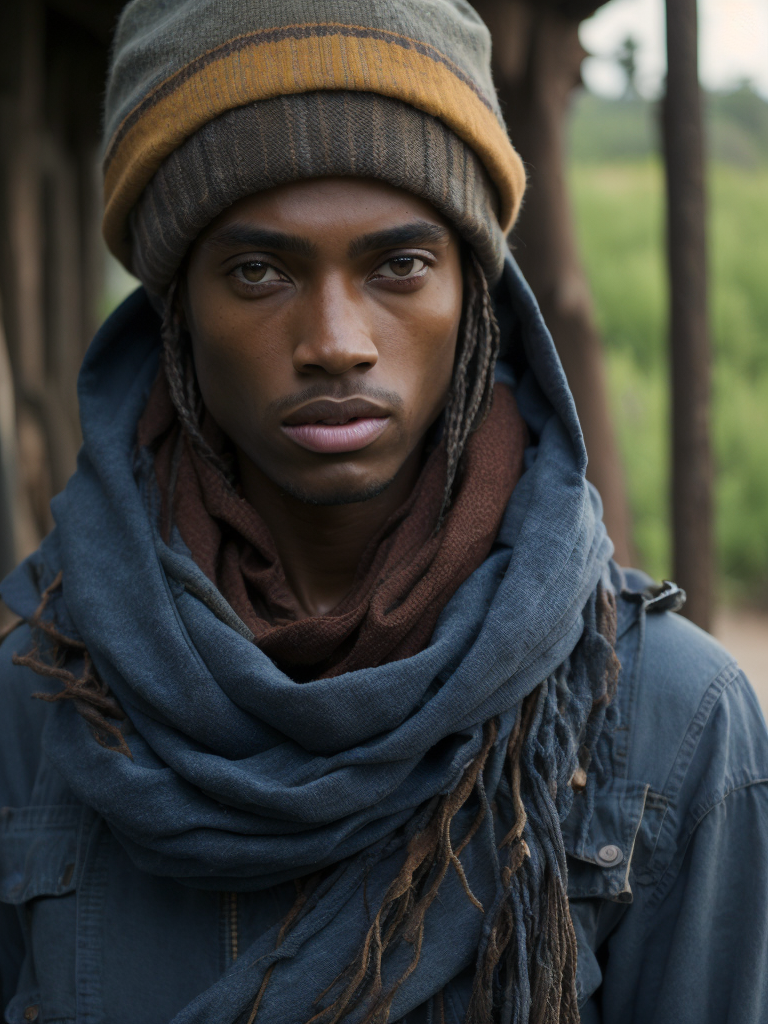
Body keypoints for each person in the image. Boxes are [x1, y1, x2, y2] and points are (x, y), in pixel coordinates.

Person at [1, 2, 767, 1022]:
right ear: (175, 307)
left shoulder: (666, 725)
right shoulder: (34, 703)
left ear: (478, 301)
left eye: (400, 264)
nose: (336, 340)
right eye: (258, 270)